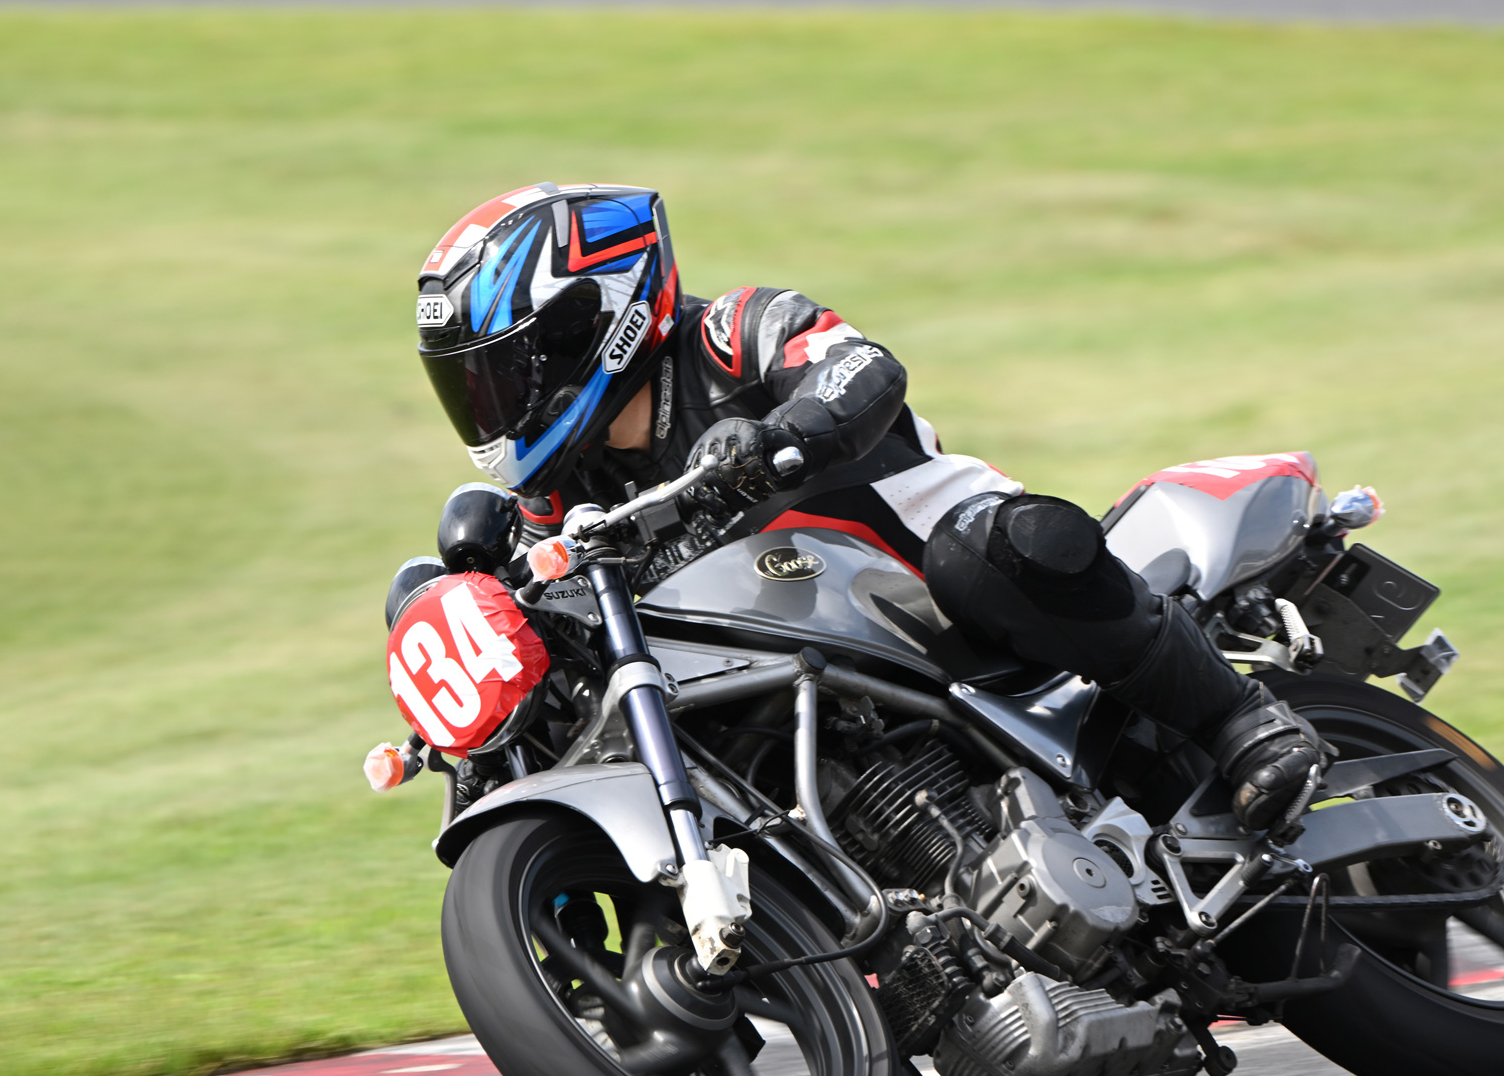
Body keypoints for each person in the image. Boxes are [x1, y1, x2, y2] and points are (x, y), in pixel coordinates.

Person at [414, 183, 1322, 830]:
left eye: (504, 376)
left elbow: (862, 367)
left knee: (996, 553)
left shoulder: (729, 333)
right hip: (808, 667)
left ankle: (1238, 718)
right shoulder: (562, 496)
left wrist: (782, 433)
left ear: (589, 327)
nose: (492, 408)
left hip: (928, 576)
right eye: (473, 388)